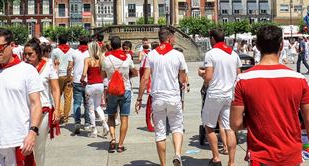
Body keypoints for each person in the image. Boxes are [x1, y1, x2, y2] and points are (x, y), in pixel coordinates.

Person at [230, 25, 309, 166]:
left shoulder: (243, 80)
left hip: (260, 157)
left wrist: (255, 119)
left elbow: (235, 124)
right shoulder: (299, 79)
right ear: (280, 46)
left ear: (258, 46)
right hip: (291, 156)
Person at [0, 28, 43, 166]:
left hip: (18, 140)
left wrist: (33, 133)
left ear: (12, 45)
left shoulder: (27, 70)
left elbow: (36, 104)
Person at [136, 27, 188, 166]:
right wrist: (183, 82)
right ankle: (177, 154)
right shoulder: (178, 55)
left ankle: (163, 164)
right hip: (173, 96)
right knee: (177, 127)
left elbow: (145, 78)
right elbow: (183, 78)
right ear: (169, 38)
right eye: (174, 38)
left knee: (160, 132)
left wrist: (139, 98)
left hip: (158, 97)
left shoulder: (151, 55)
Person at [198, 28, 241, 166]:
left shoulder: (211, 54)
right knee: (229, 128)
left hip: (215, 94)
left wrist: (201, 74)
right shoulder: (233, 54)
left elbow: (209, 76)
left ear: (212, 39)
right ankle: (232, 162)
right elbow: (238, 75)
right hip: (230, 94)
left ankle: (216, 157)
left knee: (209, 126)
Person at [22, 38, 61, 166]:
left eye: (30, 54)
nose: (27, 57)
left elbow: (55, 89)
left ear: (38, 54)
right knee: (24, 146)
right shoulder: (21, 68)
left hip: (43, 111)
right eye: (25, 54)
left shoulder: (48, 65)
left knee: (38, 147)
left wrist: (57, 108)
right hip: (25, 111)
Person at [103, 36, 137, 153]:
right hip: (125, 89)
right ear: (120, 45)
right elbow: (135, 72)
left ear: (111, 45)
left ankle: (113, 138)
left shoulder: (106, 58)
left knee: (111, 116)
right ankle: (121, 144)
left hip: (111, 90)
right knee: (124, 118)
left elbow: (102, 74)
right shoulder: (127, 57)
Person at [82, 41, 109, 138]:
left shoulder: (87, 60)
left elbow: (84, 73)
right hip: (100, 85)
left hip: (91, 85)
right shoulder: (102, 59)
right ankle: (105, 124)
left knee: (91, 109)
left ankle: (94, 130)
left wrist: (82, 80)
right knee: (98, 106)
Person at [51, 33, 73, 124]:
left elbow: (52, 63)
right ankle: (66, 116)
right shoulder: (72, 50)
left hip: (58, 75)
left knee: (57, 96)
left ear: (59, 41)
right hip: (69, 75)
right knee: (68, 97)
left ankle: (59, 113)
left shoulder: (55, 51)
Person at [71, 36, 91, 134]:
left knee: (76, 103)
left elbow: (70, 66)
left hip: (76, 80)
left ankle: (77, 122)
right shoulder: (89, 53)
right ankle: (87, 123)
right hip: (87, 81)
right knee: (87, 103)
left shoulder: (74, 53)